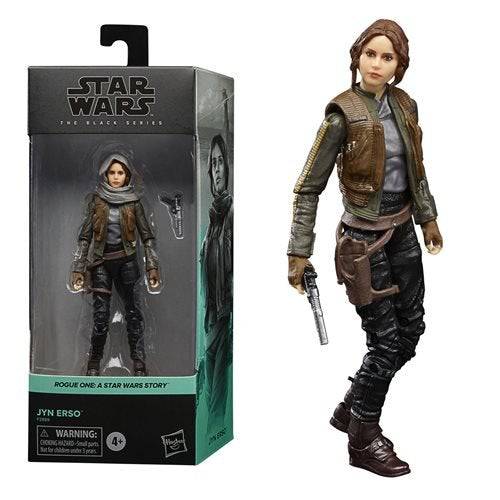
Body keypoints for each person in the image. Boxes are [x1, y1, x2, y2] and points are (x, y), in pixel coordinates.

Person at [287, 19, 443, 477]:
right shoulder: (341, 114)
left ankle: (349, 408)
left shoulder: (405, 106)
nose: (376, 64)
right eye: (370, 54)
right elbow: (308, 187)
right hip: (363, 242)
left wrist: (428, 217)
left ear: (399, 65)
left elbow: (417, 169)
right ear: (356, 57)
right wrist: (298, 250)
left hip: (403, 232)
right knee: (385, 343)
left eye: (387, 57)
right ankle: (362, 438)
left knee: (411, 332)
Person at [71, 152, 161, 377]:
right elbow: (85, 237)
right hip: (101, 264)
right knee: (100, 317)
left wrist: (152, 266)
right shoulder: (96, 201)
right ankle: (93, 364)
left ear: (127, 175)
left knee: (134, 314)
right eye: (112, 172)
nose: (116, 176)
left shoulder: (134, 202)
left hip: (127, 262)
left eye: (120, 172)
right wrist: (79, 268)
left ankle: (139, 364)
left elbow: (147, 236)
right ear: (105, 174)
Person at [201, 135, 233, 429]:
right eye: (213, 163)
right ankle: (211, 429)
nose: (217, 169)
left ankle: (215, 429)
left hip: (226, 314)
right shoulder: (214, 216)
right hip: (211, 313)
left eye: (221, 161)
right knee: (210, 376)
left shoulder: (232, 213)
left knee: (217, 382)